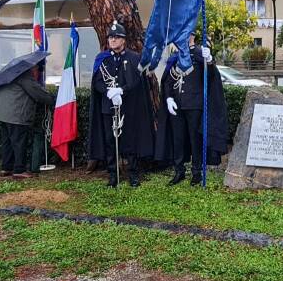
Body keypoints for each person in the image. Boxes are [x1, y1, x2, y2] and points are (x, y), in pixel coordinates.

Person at [155, 32, 230, 186]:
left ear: (192, 36)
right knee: (178, 139)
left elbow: (210, 76)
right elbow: (168, 81)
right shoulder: (174, 57)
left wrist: (209, 60)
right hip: (176, 105)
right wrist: (168, 98)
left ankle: (196, 172)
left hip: (194, 104)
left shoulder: (199, 54)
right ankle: (179, 171)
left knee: (195, 139)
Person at [88, 23, 155, 188]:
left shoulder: (134, 58)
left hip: (128, 108)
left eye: (116, 37)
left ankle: (133, 173)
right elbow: (96, 82)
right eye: (110, 37)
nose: (112, 40)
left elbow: (138, 82)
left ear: (123, 40)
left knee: (130, 141)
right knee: (110, 141)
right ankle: (113, 174)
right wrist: (108, 92)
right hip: (108, 107)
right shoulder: (102, 58)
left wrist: (121, 91)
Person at [0, 66, 55, 179]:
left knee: (7, 142)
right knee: (19, 142)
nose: (38, 75)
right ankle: (19, 170)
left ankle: (6, 168)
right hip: (15, 114)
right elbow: (38, 94)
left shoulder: (10, 75)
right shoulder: (25, 77)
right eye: (39, 71)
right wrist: (53, 99)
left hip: (0, 113)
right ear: (34, 69)